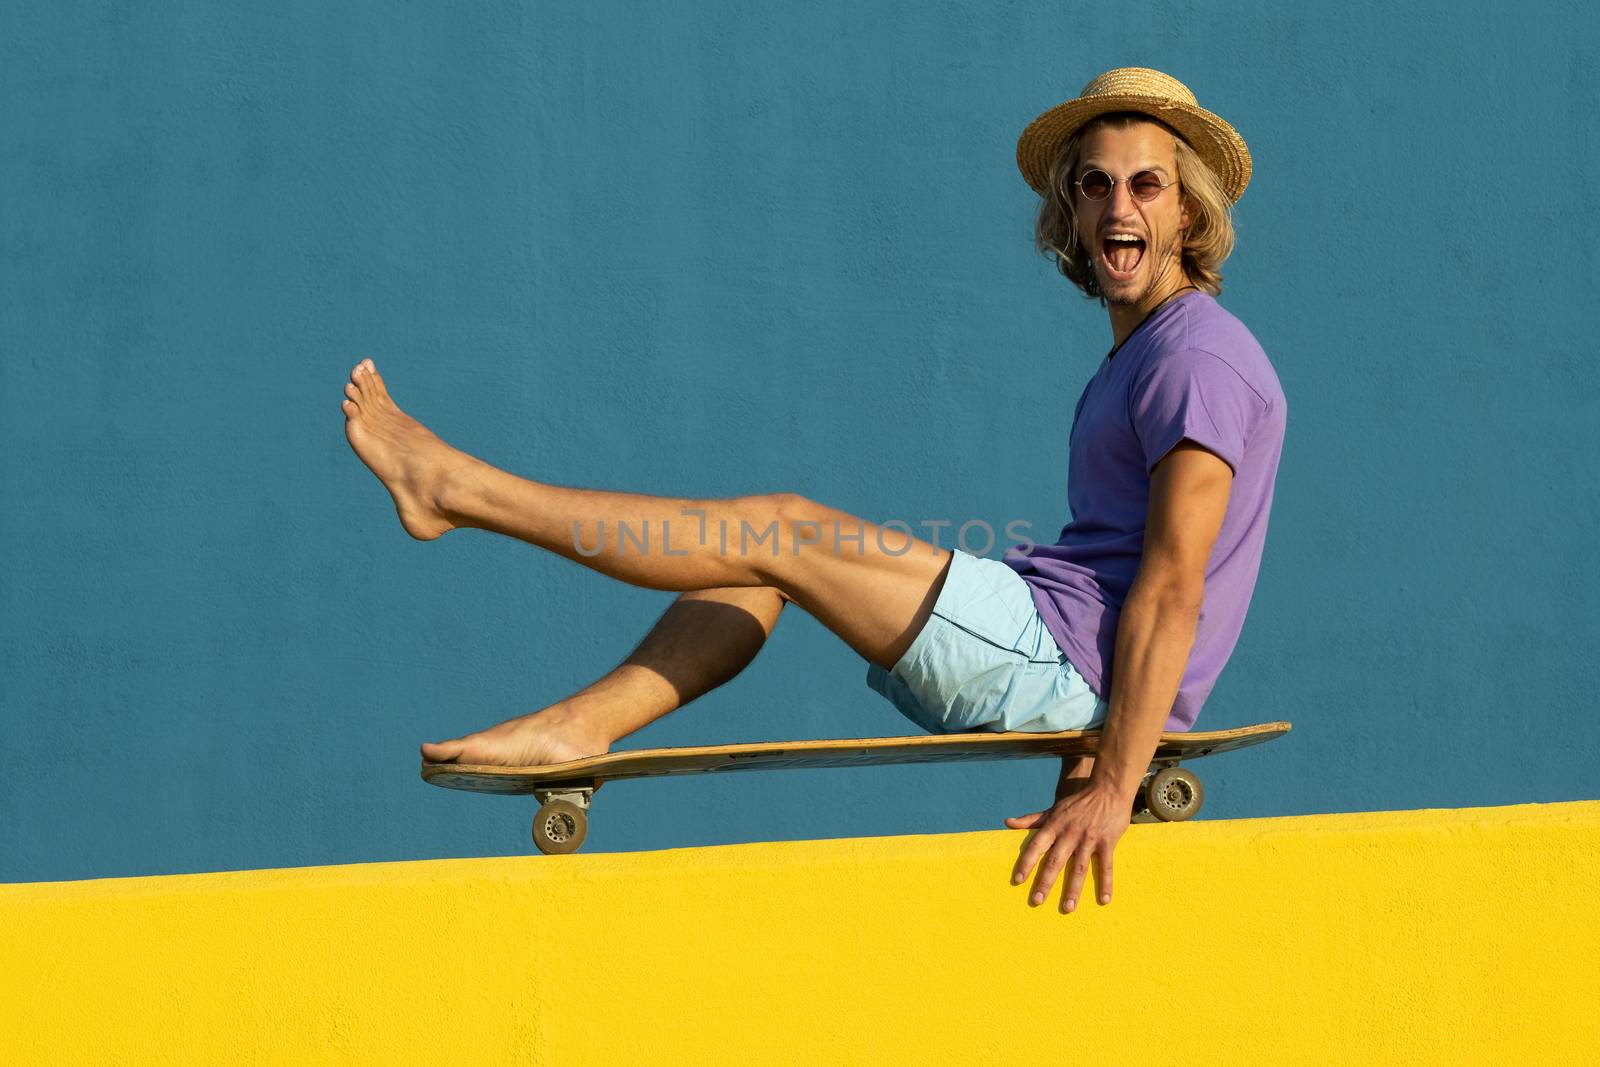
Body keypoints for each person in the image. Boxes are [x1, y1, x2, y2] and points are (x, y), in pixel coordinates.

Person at [340, 66, 1285, 913]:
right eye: (1096, 183)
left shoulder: (1196, 359)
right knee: (748, 563)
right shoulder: (1144, 358)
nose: (1120, 205)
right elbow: (1121, 577)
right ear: (1072, 212)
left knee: (776, 529)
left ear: (1189, 212)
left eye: (1147, 184)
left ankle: (457, 489)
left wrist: (1113, 784)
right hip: (1058, 646)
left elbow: (1170, 587)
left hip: (1058, 660)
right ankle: (577, 729)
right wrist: (1087, 768)